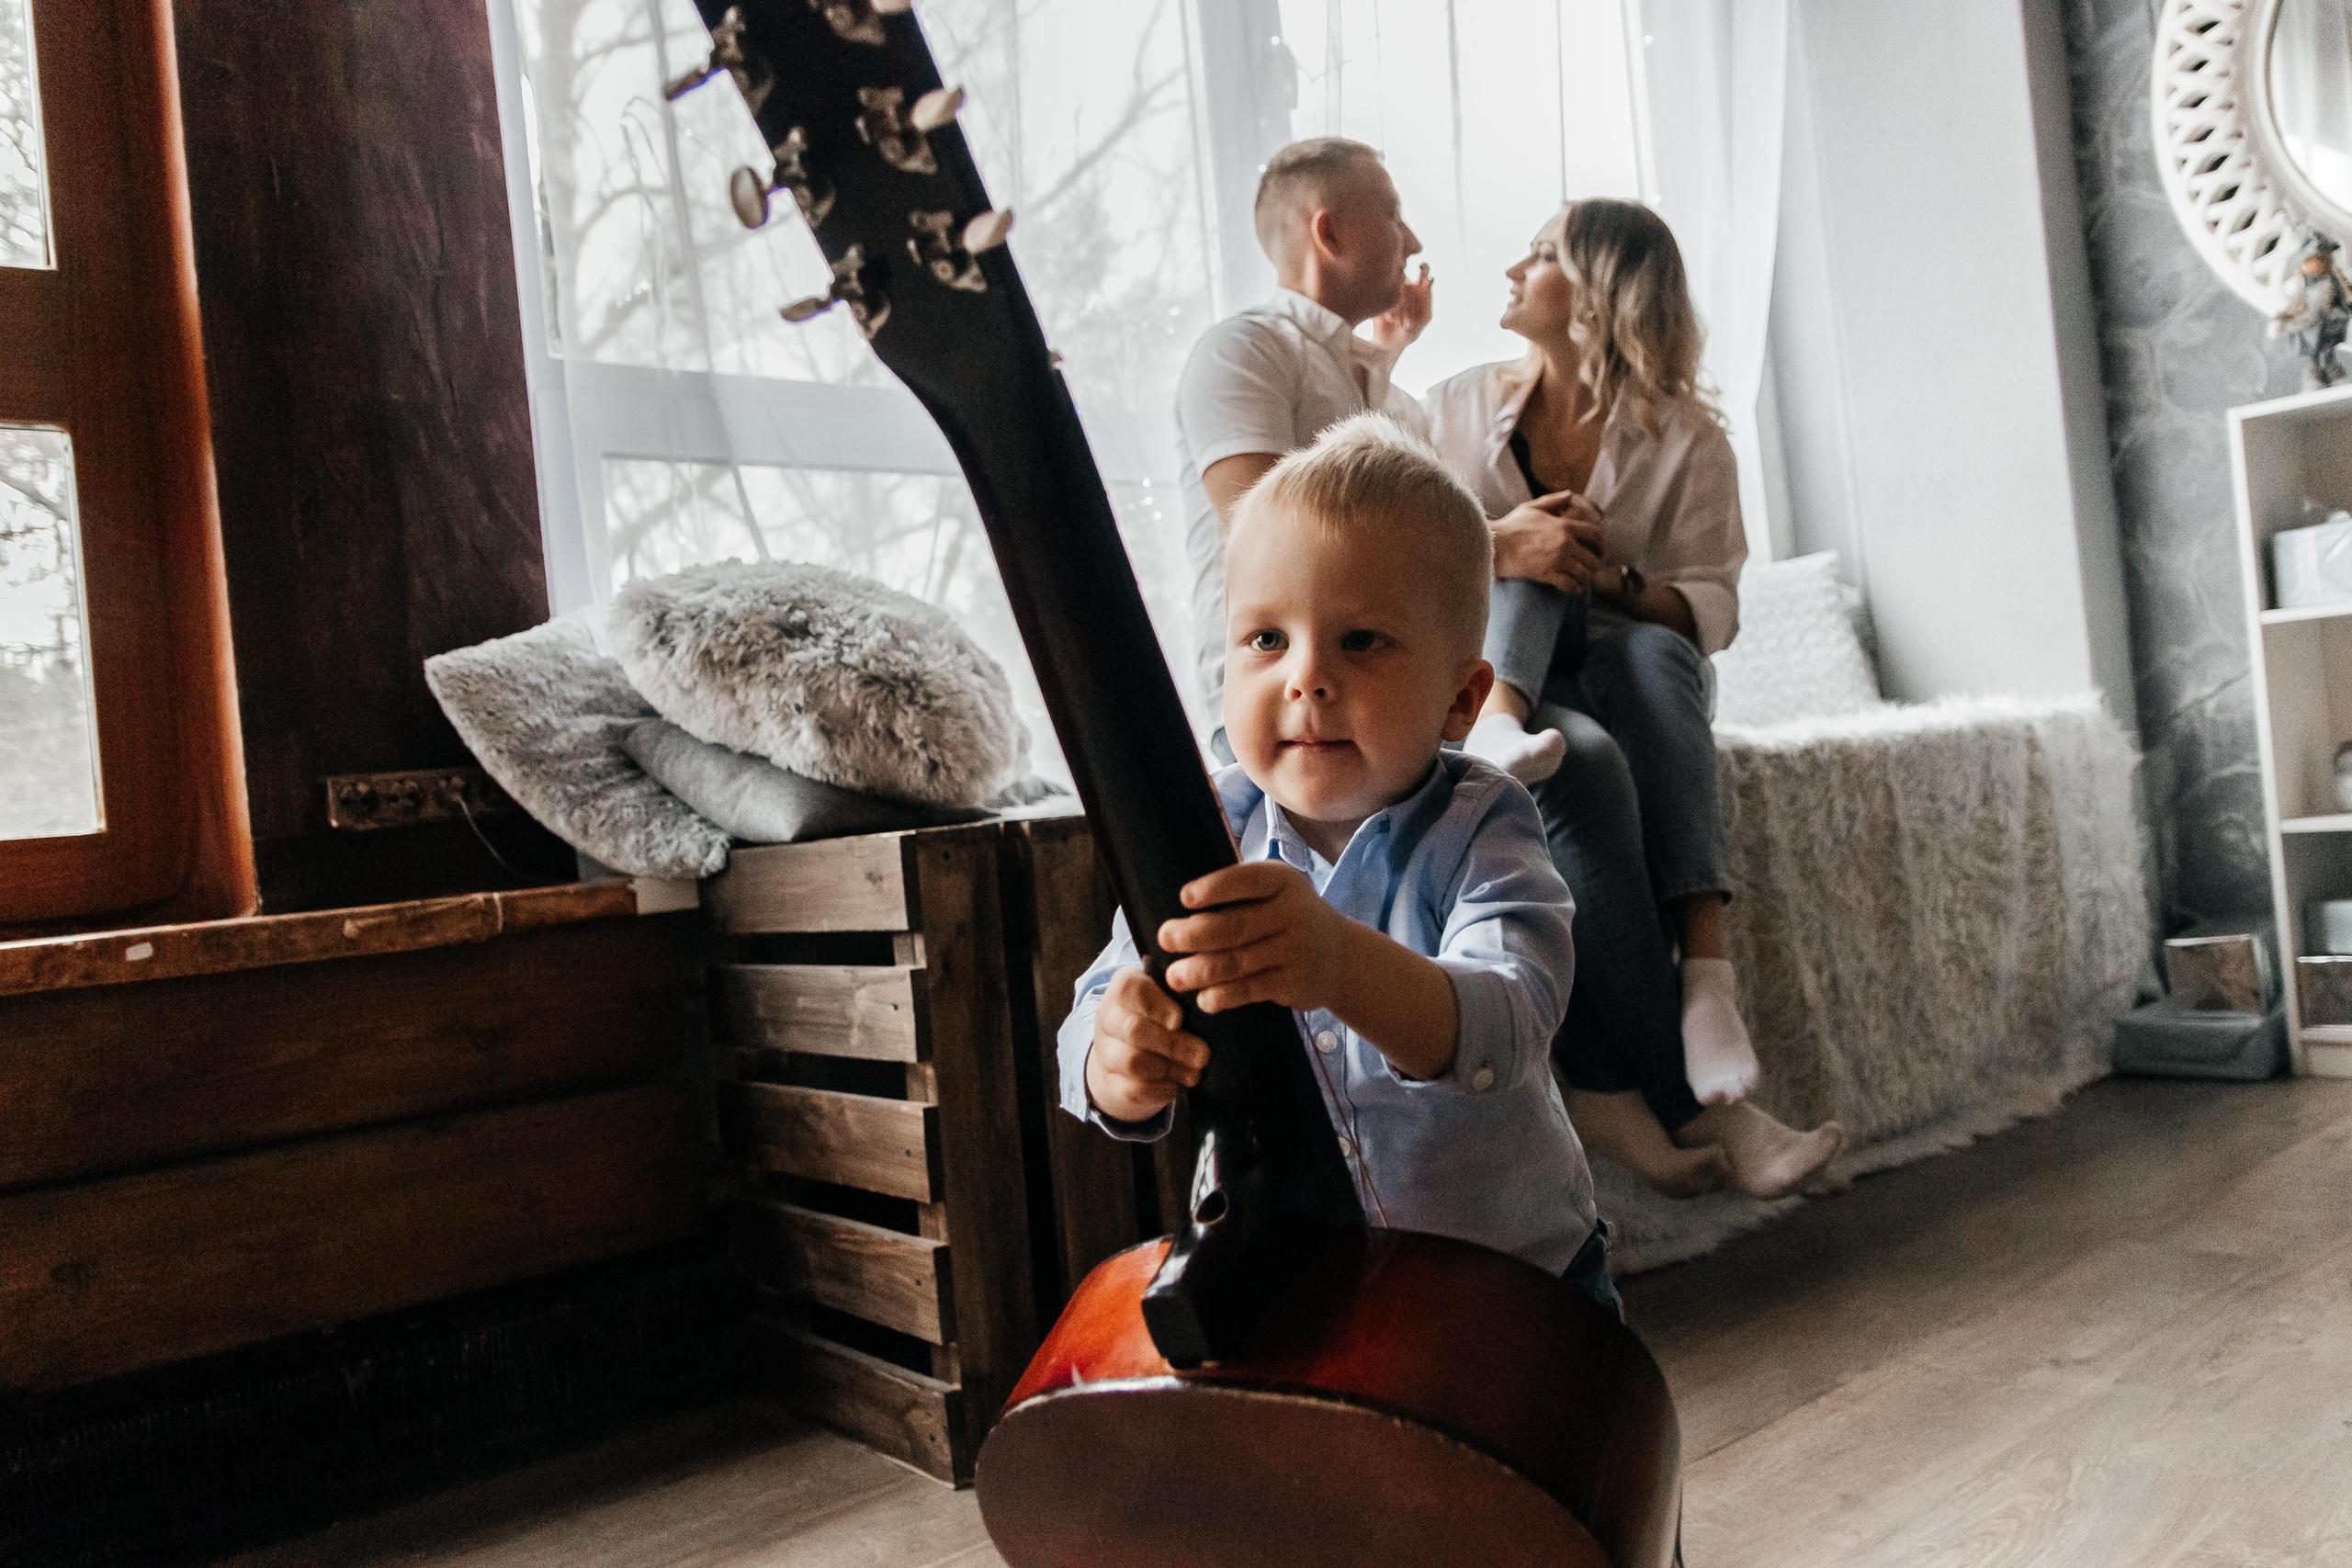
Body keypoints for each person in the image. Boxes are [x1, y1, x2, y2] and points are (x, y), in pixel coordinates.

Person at [1058, 415, 1616, 1316]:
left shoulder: (1484, 825)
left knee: (1548, 1459)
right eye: (1266, 641)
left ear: (1460, 699)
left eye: (1361, 641)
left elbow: (1511, 1023)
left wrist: (1339, 963)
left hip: (1515, 1284)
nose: (1305, 678)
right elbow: (1094, 1007)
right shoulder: (1206, 833)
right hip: (1308, 1290)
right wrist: (1112, 1059)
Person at [1423, 199, 1842, 1201]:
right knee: (1581, 735)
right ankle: (1719, 1110)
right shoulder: (1450, 409)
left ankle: (1708, 974)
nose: (1517, 267)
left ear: (1600, 289)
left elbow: (1708, 608)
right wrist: (1523, 542)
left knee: (1651, 651)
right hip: (1503, 681)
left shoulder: (1689, 437)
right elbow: (1412, 553)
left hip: (1622, 669)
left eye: (1544, 254)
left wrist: (1603, 573)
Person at [1174, 137, 1434, 758]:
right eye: (1393, 215)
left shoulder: (1394, 402)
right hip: (1279, 711)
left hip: (1390, 699)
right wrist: (1500, 544)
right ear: (1330, 232)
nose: (1414, 242)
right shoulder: (1244, 351)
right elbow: (1271, 539)